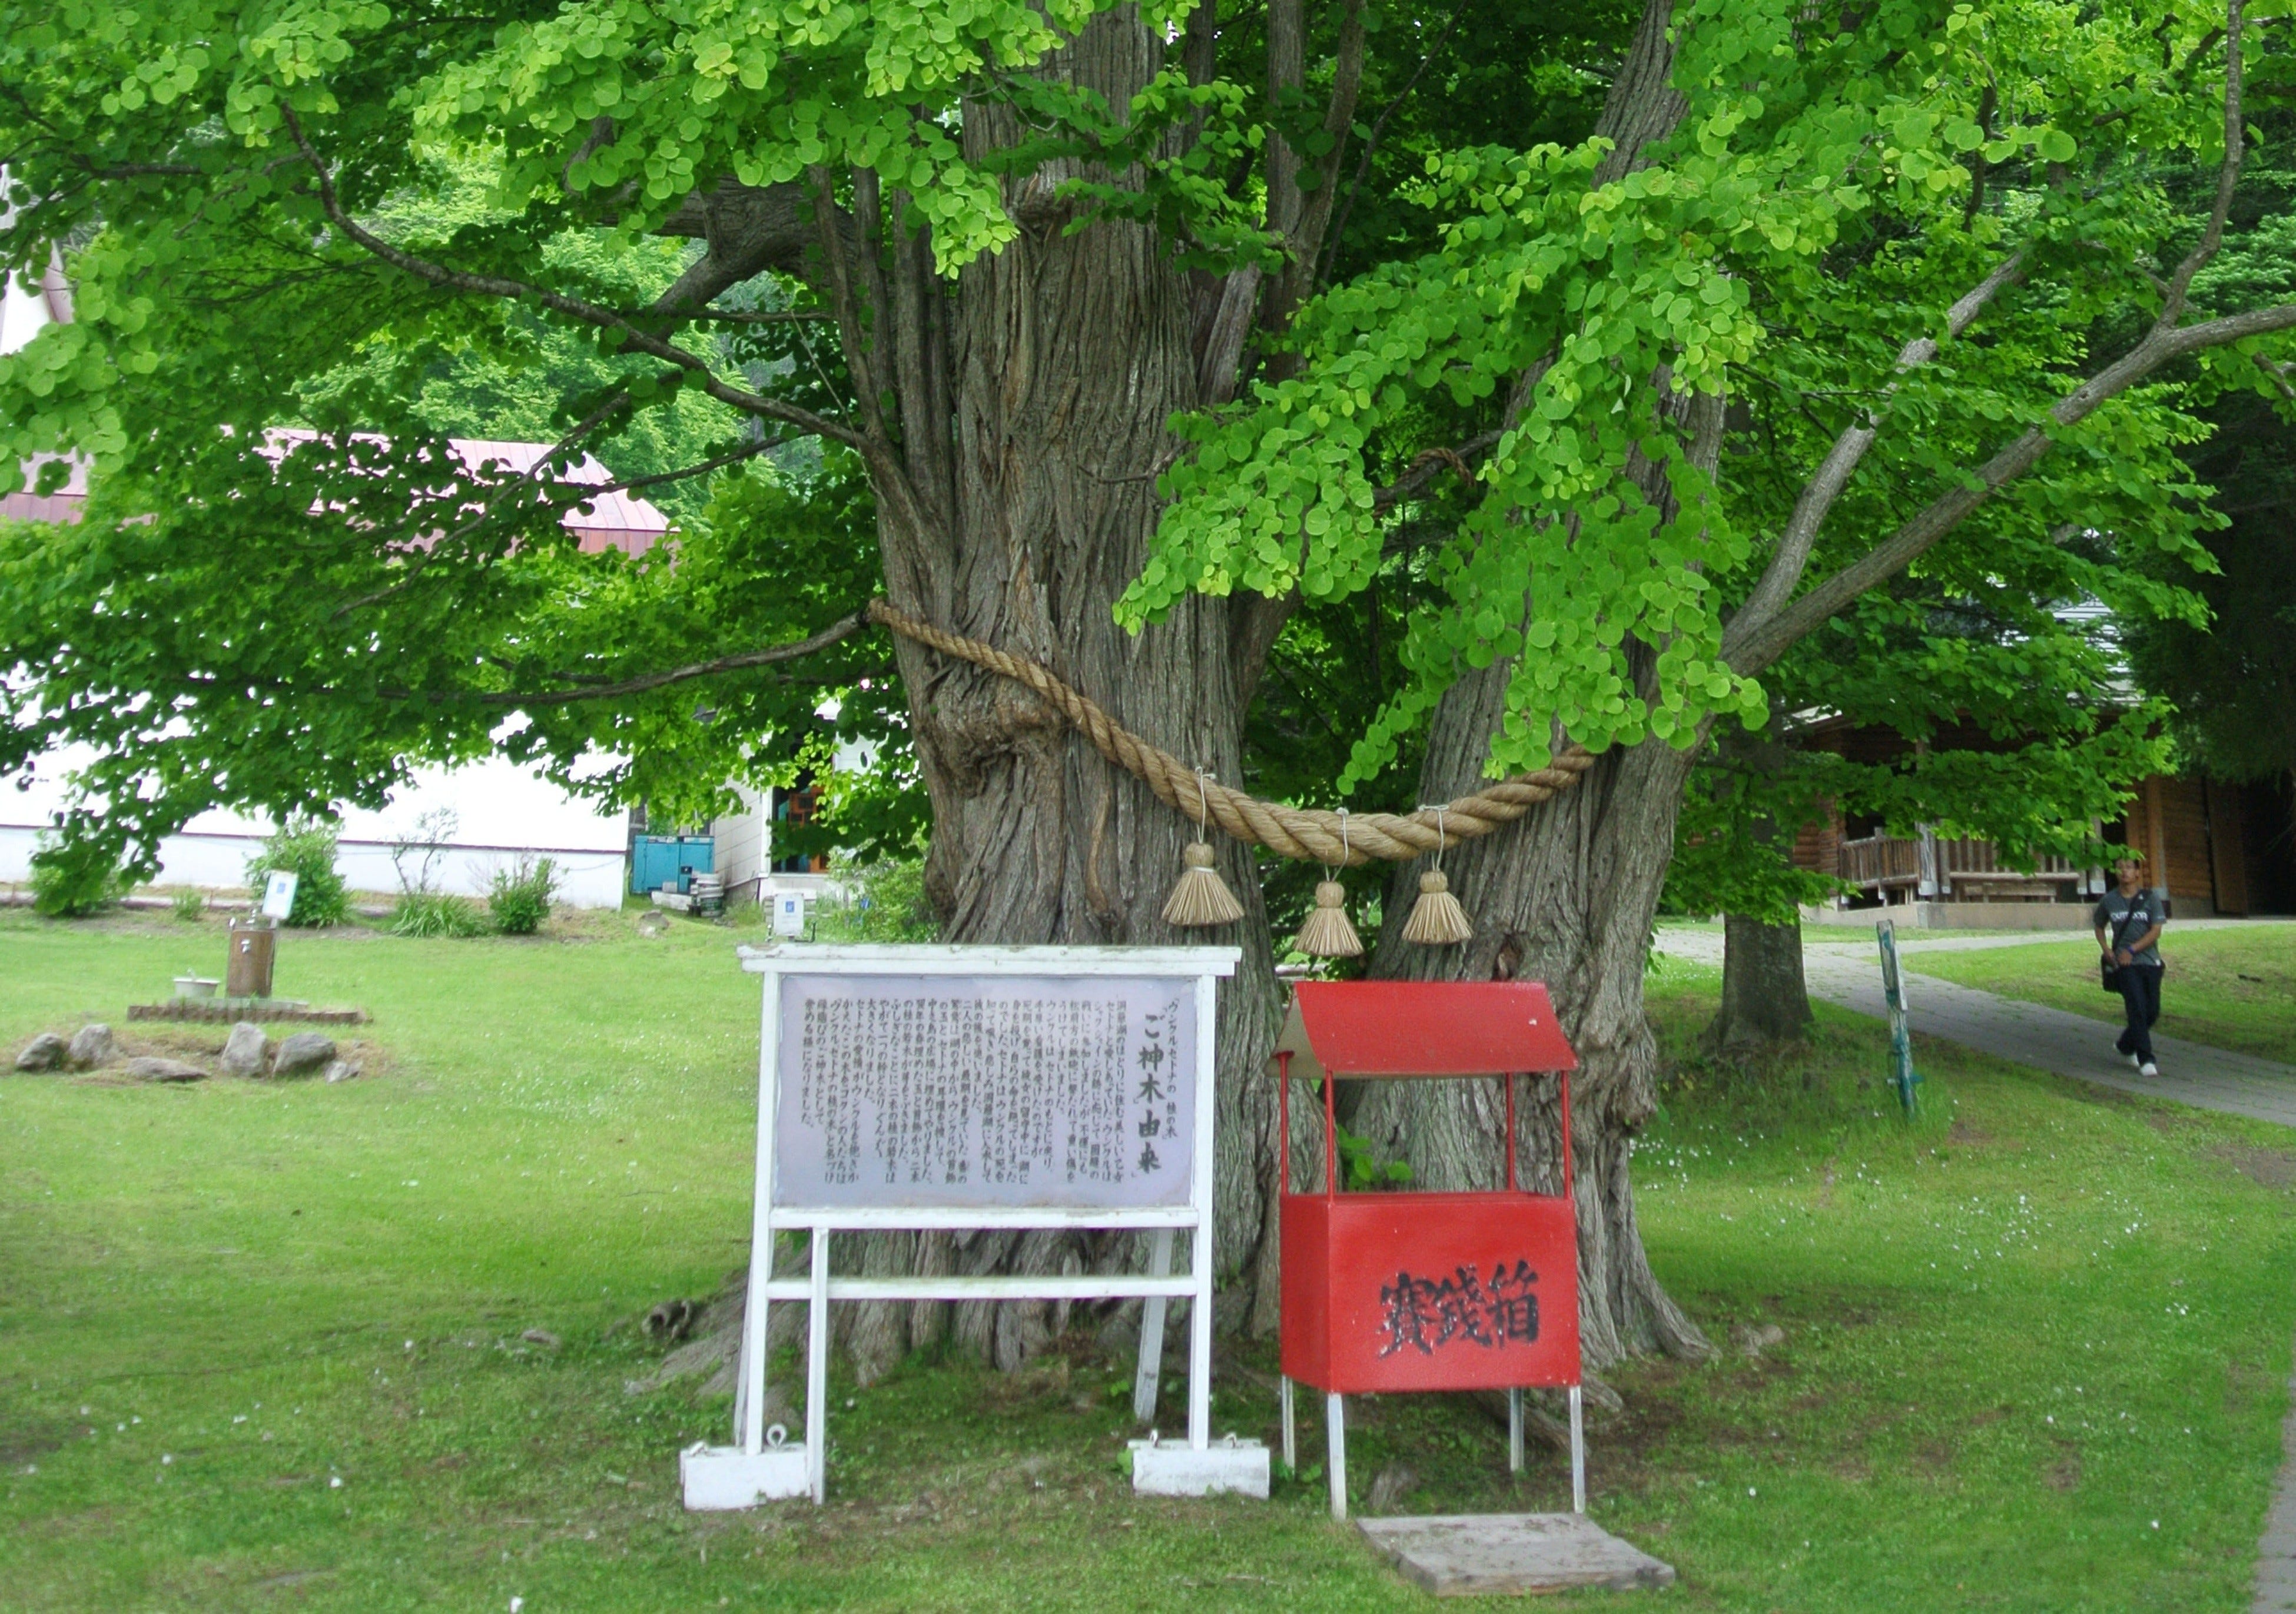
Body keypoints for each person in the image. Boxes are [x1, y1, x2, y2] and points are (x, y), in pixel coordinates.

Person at [2092, 858, 2165, 1077]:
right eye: (2120, 867)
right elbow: (2099, 925)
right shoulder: (2109, 901)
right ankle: (2146, 1059)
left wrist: (2133, 949)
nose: (2124, 871)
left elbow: (2156, 931)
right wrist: (2106, 948)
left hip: (2150, 961)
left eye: (2129, 867)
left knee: (2152, 1010)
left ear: (2137, 873)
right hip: (2125, 965)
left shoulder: (2150, 899)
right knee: (2136, 1008)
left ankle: (2126, 1044)